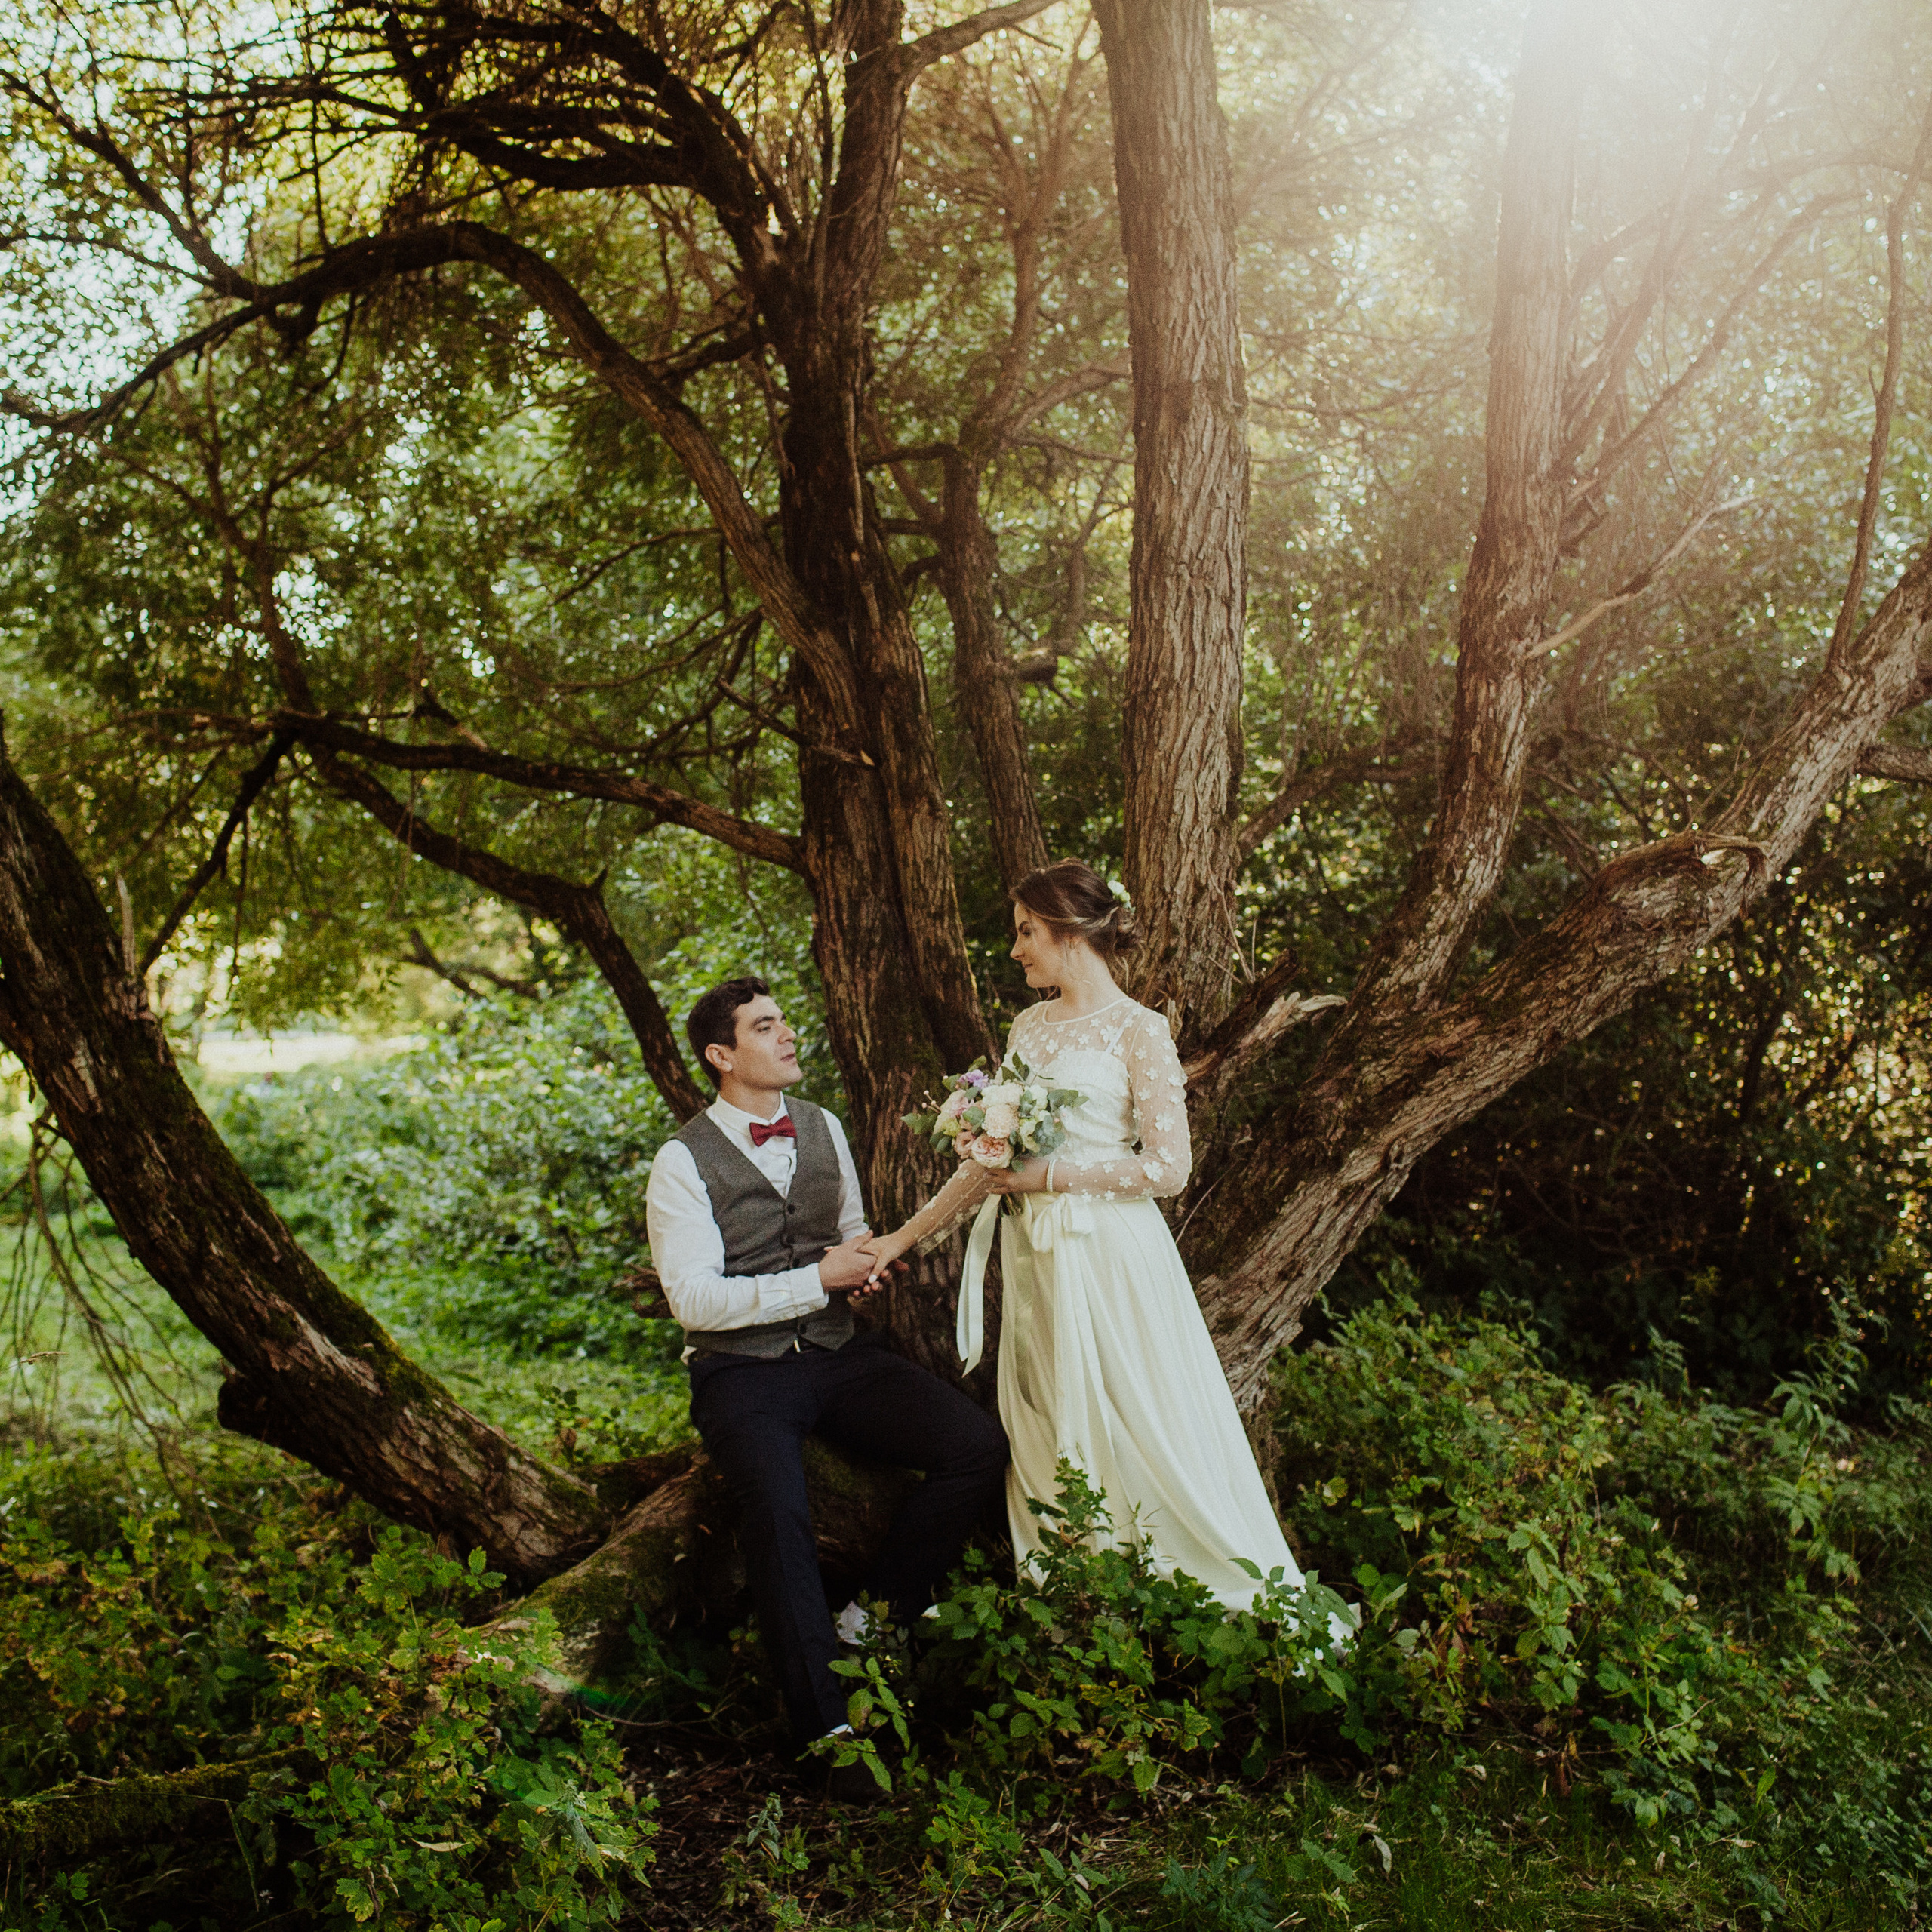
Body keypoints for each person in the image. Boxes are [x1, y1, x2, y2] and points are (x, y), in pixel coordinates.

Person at [860, 861, 1349, 1634]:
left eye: (1026, 931)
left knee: (1138, 1411)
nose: (1017, 949)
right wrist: (901, 1238)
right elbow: (989, 1164)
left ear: (1069, 930)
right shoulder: (1028, 1028)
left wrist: (1050, 1172)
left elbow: (1169, 1167)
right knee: (1051, 1408)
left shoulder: (1139, 1029)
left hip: (1111, 1255)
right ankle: (1077, 1591)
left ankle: (1167, 1580)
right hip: (1037, 1265)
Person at [643, 975, 1009, 1787]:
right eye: (764, 1026)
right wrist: (818, 1280)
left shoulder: (822, 1126)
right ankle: (826, 1733)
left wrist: (864, 1267)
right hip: (741, 1373)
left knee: (975, 1447)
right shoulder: (680, 1161)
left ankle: (871, 1619)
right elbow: (693, 1299)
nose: (787, 1035)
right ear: (720, 1054)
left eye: (783, 1022)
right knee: (777, 1519)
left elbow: (848, 1233)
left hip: (840, 1354)